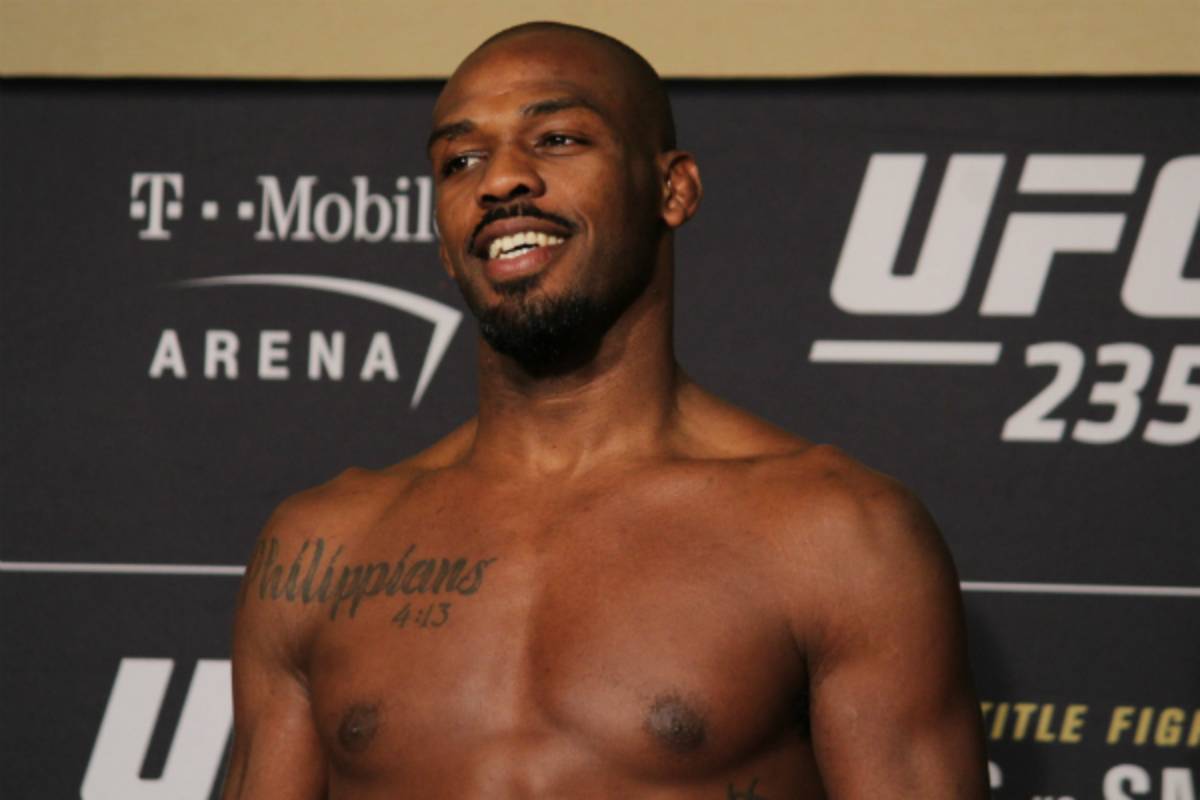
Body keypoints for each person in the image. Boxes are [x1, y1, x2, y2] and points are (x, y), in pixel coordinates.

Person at [222, 21, 989, 799]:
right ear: (442, 240)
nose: (499, 180)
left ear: (673, 189)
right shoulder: (321, 545)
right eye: (461, 161)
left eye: (557, 139)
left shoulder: (837, 533)